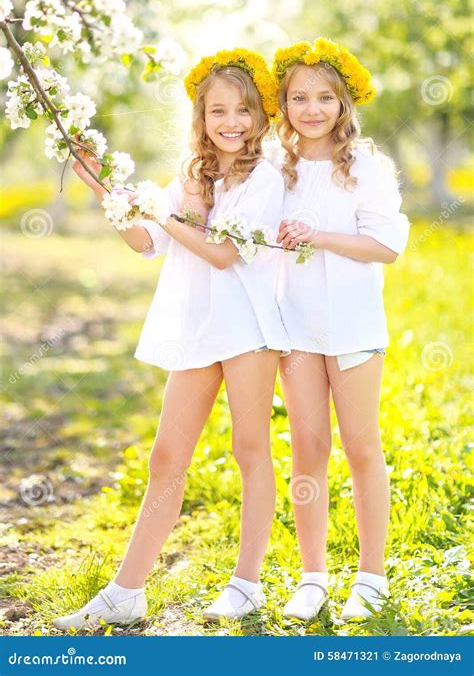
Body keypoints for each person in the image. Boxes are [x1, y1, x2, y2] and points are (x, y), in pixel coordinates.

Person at [53, 49, 290, 629]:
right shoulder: (190, 174)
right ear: (201, 117)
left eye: (242, 110)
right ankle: (126, 592)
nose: (229, 122)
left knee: (249, 449)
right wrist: (100, 186)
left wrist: (164, 217)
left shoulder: (265, 177)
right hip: (198, 327)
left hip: (249, 328)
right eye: (216, 111)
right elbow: (144, 241)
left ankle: (247, 583)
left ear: (260, 116)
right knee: (166, 458)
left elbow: (221, 254)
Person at [271, 38, 410, 622]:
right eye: (299, 97)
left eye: (324, 96)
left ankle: (371, 575)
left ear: (344, 103)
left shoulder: (368, 169)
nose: (312, 108)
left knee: (360, 445)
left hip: (352, 327)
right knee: (308, 446)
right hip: (295, 327)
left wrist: (317, 236)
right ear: (282, 104)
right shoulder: (275, 168)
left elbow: (386, 246)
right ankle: (312, 575)